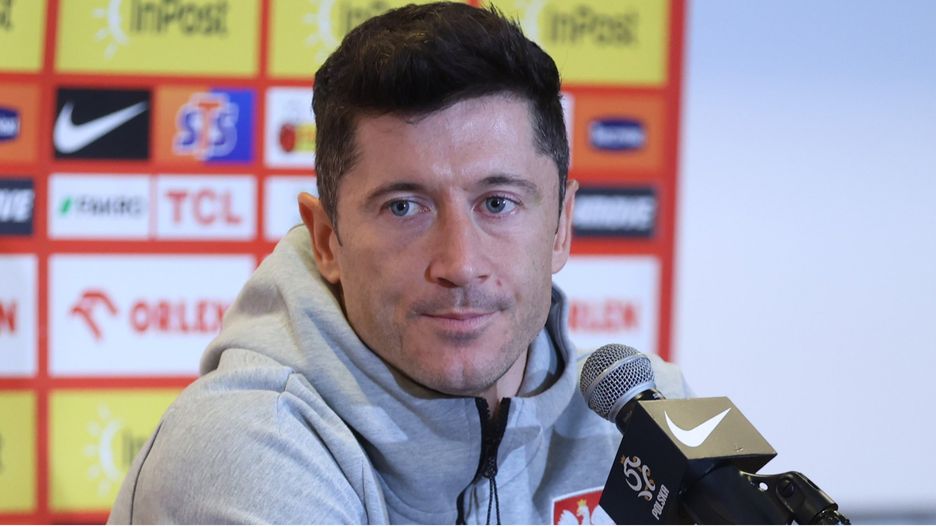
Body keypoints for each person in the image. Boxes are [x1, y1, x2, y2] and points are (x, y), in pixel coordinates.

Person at [108, 2, 688, 524]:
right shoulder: (247, 446)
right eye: (404, 207)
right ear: (328, 240)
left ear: (560, 225)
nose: (460, 263)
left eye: (497, 203)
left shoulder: (647, 419)